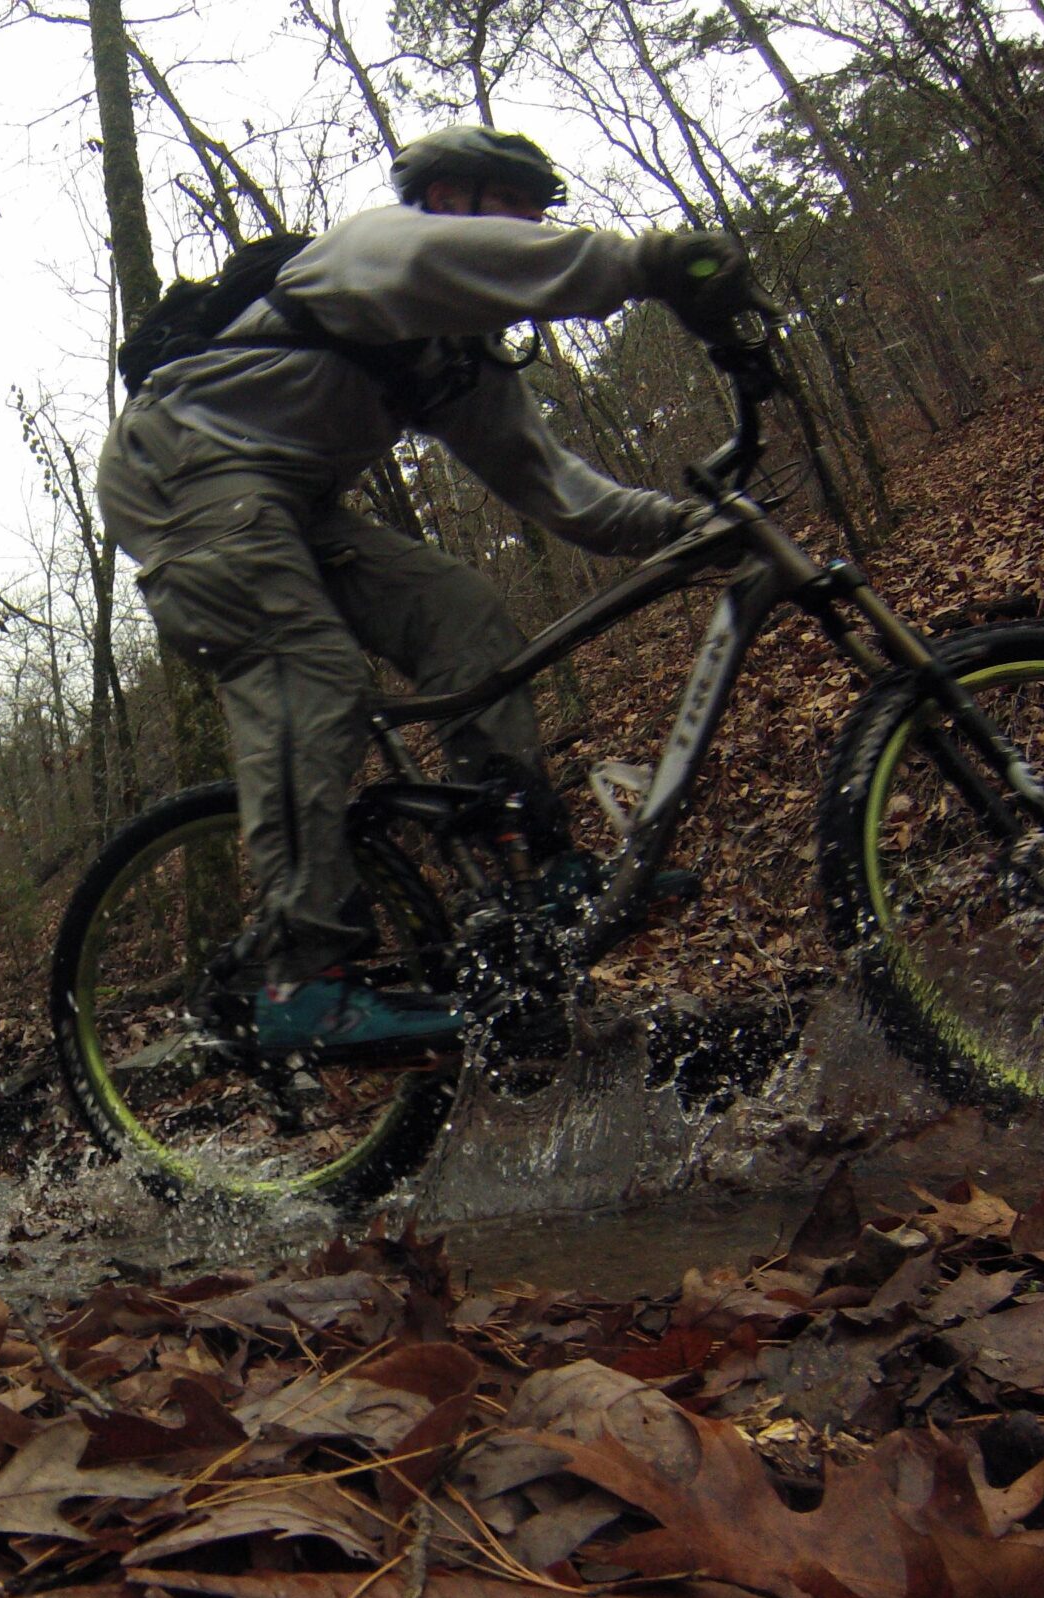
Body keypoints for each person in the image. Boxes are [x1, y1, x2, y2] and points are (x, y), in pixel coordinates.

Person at [95, 125, 765, 1053]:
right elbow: (509, 263)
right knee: (309, 669)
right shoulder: (371, 252)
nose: (527, 229)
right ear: (449, 199)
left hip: (291, 503)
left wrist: (682, 524)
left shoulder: (457, 363)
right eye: (513, 208)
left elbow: (559, 492)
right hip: (176, 474)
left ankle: (531, 872)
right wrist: (651, 264)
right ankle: (298, 975)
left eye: (535, 215)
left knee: (466, 618)